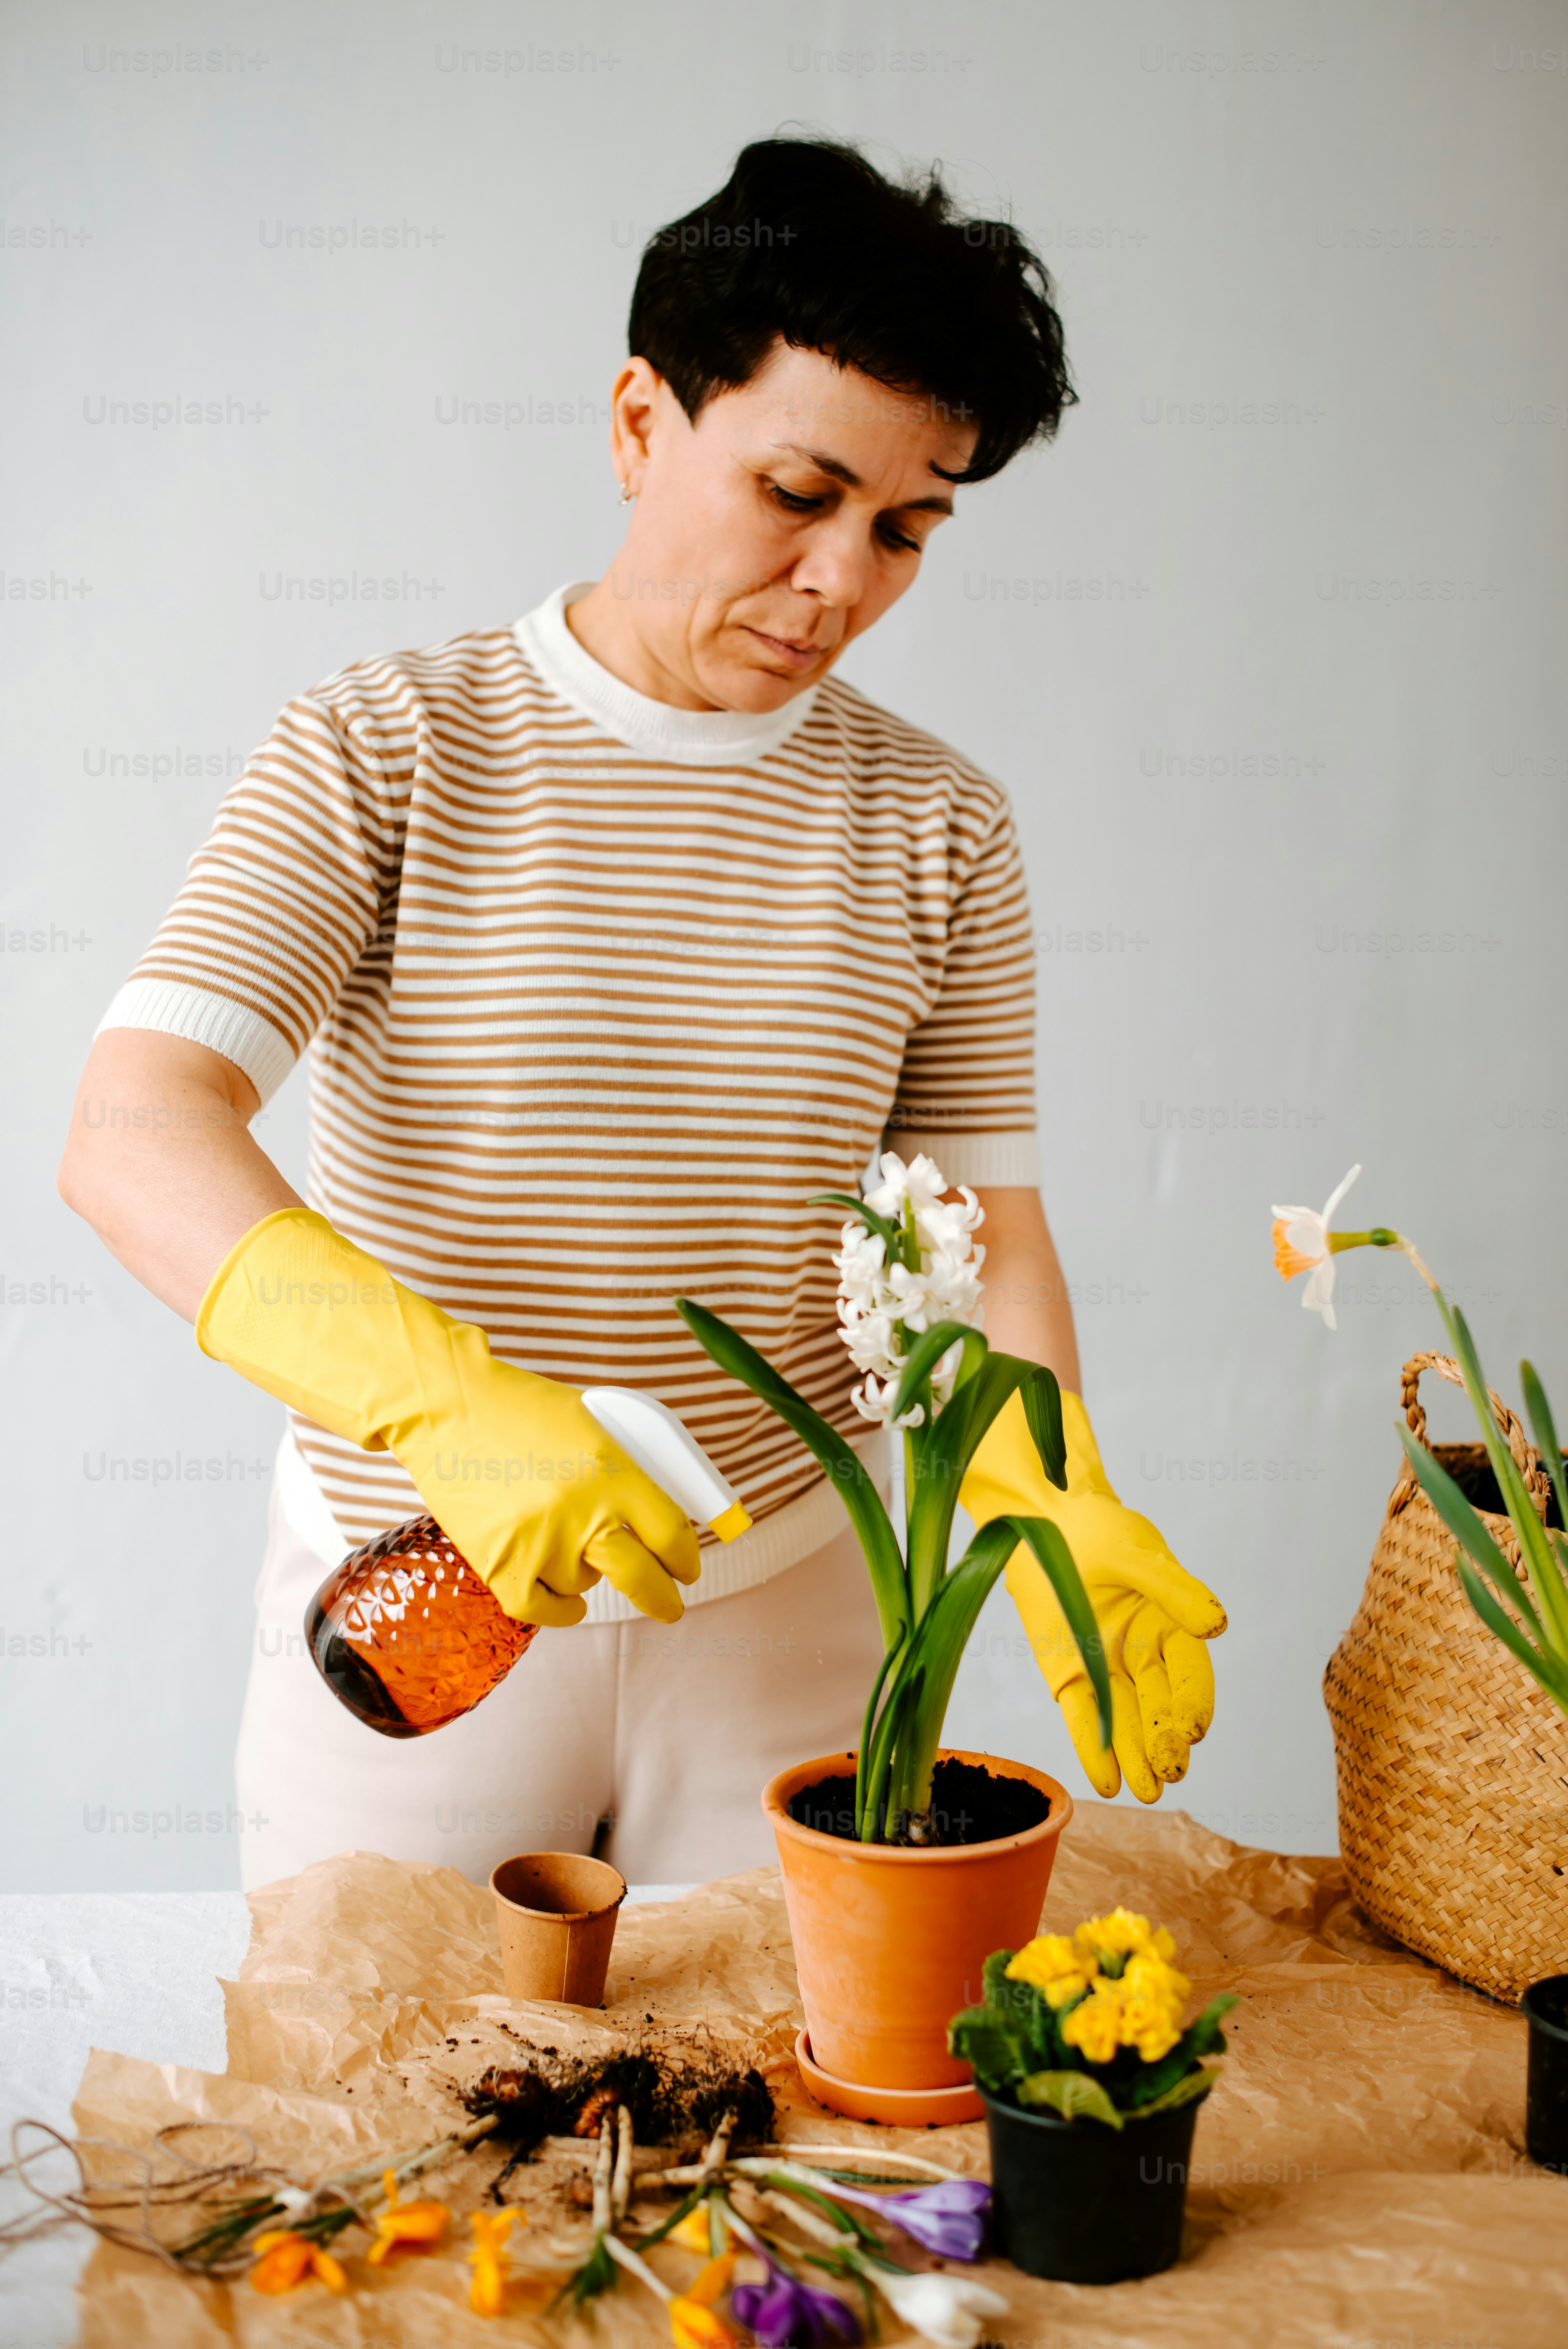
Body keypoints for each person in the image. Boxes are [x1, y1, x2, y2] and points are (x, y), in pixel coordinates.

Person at [58, 136, 1225, 1893]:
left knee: (778, 2130)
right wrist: (439, 1401)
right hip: (425, 1597)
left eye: (908, 526)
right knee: (384, 2136)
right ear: (635, 423)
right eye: (797, 492)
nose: (846, 578)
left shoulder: (940, 825)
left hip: (790, 1613)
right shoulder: (388, 744)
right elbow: (135, 1128)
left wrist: (1049, 1495)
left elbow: (977, 1243)